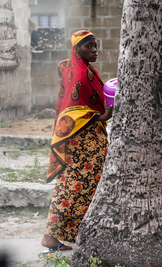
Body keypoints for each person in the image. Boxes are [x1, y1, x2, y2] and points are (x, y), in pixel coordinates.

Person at [40, 30, 113, 253]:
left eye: (95, 45)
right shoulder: (80, 75)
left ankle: (62, 235)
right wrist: (100, 116)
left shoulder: (82, 69)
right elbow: (70, 112)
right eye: (88, 46)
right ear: (76, 49)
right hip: (82, 141)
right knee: (75, 187)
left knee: (79, 186)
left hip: (84, 139)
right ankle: (52, 236)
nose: (94, 50)